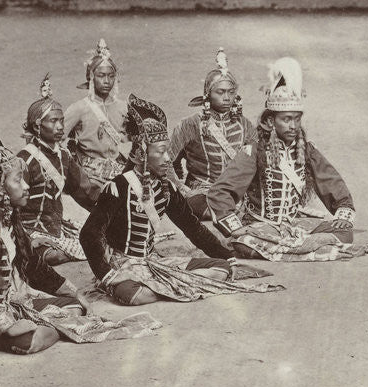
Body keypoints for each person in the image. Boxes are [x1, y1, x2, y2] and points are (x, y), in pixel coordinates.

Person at [80, 94, 283, 306]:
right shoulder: (118, 188)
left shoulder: (165, 186)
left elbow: (192, 227)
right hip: (124, 267)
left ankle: (168, 287)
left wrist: (228, 256)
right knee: (131, 294)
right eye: (161, 152)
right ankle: (179, 285)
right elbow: (89, 234)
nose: (168, 158)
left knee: (222, 268)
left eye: (168, 151)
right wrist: (106, 275)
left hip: (153, 263)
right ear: (142, 154)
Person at [206, 57, 368, 262]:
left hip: (294, 225)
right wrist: (236, 229)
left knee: (345, 232)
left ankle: (289, 249)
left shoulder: (307, 150)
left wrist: (342, 214)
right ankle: (307, 249)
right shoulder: (254, 152)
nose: (293, 126)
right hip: (261, 226)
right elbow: (219, 192)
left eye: (297, 118)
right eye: (286, 119)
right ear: (270, 121)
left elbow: (333, 184)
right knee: (244, 241)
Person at [0, 126, 93, 355]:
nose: (26, 187)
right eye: (19, 181)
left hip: (13, 305)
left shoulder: (10, 220)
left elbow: (32, 265)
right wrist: (4, 324)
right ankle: (54, 329)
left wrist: (71, 290)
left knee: (75, 306)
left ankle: (49, 328)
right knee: (27, 343)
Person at [17, 74, 101, 265]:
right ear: (38, 126)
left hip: (57, 229)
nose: (60, 126)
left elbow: (84, 193)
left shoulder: (63, 156)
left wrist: (109, 211)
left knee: (104, 239)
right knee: (59, 255)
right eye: (53, 121)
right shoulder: (24, 160)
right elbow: (11, 208)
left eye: (61, 120)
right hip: (30, 231)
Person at [168, 47, 255, 217]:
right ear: (208, 94)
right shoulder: (190, 124)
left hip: (235, 191)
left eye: (231, 92)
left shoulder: (244, 124)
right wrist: (180, 188)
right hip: (202, 192)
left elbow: (257, 160)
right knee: (203, 207)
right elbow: (166, 161)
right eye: (220, 92)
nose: (226, 97)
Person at [63, 38, 129, 187]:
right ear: (92, 78)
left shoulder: (123, 107)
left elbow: (128, 140)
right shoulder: (79, 108)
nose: (107, 81)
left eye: (111, 76)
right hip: (89, 170)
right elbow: (57, 138)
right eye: (101, 76)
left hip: (117, 166)